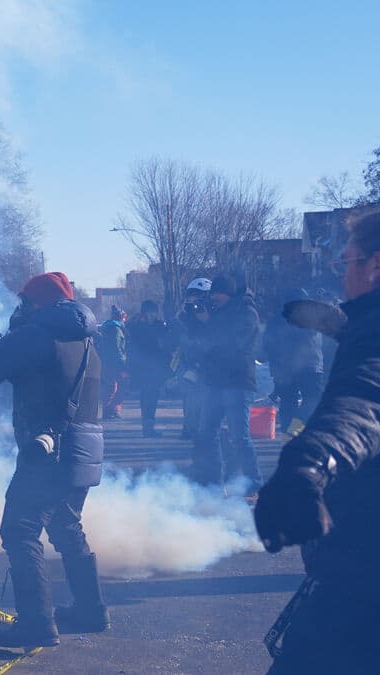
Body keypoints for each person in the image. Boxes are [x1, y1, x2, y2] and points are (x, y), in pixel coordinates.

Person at [253, 208, 380, 673]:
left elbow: (368, 398)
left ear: (376, 266)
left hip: (366, 581)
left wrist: (309, 461)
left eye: (345, 264)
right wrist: (346, 322)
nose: (341, 276)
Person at [0, 271, 108, 649]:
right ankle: (91, 611)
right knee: (67, 528)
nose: (19, 309)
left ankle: (37, 624)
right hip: (84, 450)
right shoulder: (84, 339)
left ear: (38, 302)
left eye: (24, 302)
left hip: (49, 452)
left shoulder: (38, 334)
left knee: (19, 531)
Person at [190, 274, 263, 492]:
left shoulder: (247, 313)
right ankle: (214, 482)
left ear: (229, 294)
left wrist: (209, 322)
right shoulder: (218, 313)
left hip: (238, 382)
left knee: (239, 436)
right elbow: (205, 343)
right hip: (215, 382)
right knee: (207, 433)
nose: (214, 298)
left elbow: (233, 344)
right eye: (212, 294)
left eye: (217, 293)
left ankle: (254, 483)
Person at [262, 289, 324, 436]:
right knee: (297, 403)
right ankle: (291, 435)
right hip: (297, 369)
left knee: (306, 402)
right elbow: (268, 345)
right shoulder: (280, 319)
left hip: (306, 368)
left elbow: (268, 345)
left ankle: (294, 430)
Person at [126, 300, 172, 437]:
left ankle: (147, 428)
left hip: (145, 367)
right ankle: (148, 429)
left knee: (148, 397)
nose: (153, 315)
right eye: (152, 312)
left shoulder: (135, 325)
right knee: (150, 397)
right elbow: (160, 345)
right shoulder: (147, 326)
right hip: (150, 368)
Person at [175, 278, 212, 439]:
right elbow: (179, 337)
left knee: (202, 399)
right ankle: (190, 428)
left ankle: (199, 430)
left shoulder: (212, 314)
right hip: (187, 363)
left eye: (197, 296)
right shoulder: (185, 315)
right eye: (191, 296)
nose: (193, 300)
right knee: (190, 398)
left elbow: (211, 339)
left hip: (204, 365)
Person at [96, 305, 127, 419]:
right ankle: (110, 410)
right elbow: (118, 348)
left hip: (107, 361)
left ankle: (111, 410)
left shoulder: (108, 328)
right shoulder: (116, 329)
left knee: (111, 386)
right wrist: (123, 363)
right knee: (116, 386)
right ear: (120, 317)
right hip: (115, 363)